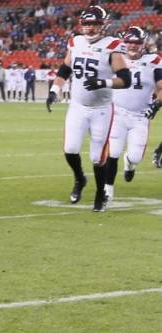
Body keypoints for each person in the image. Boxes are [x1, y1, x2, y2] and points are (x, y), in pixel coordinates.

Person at [46, 5, 131, 212]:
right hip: (77, 106)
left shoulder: (113, 45)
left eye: (95, 24)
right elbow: (65, 69)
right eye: (87, 23)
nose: (90, 28)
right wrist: (55, 90)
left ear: (103, 25)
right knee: (70, 149)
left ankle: (100, 192)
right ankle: (80, 178)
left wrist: (104, 83)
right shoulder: (75, 42)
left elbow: (125, 79)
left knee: (97, 157)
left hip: (102, 109)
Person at [103, 27, 162, 200]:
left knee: (135, 157)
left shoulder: (154, 60)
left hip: (140, 117)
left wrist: (157, 103)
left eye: (137, 42)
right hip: (117, 114)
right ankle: (108, 190)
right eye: (129, 42)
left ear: (143, 44)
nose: (133, 46)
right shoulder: (115, 57)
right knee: (113, 153)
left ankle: (129, 164)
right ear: (123, 42)